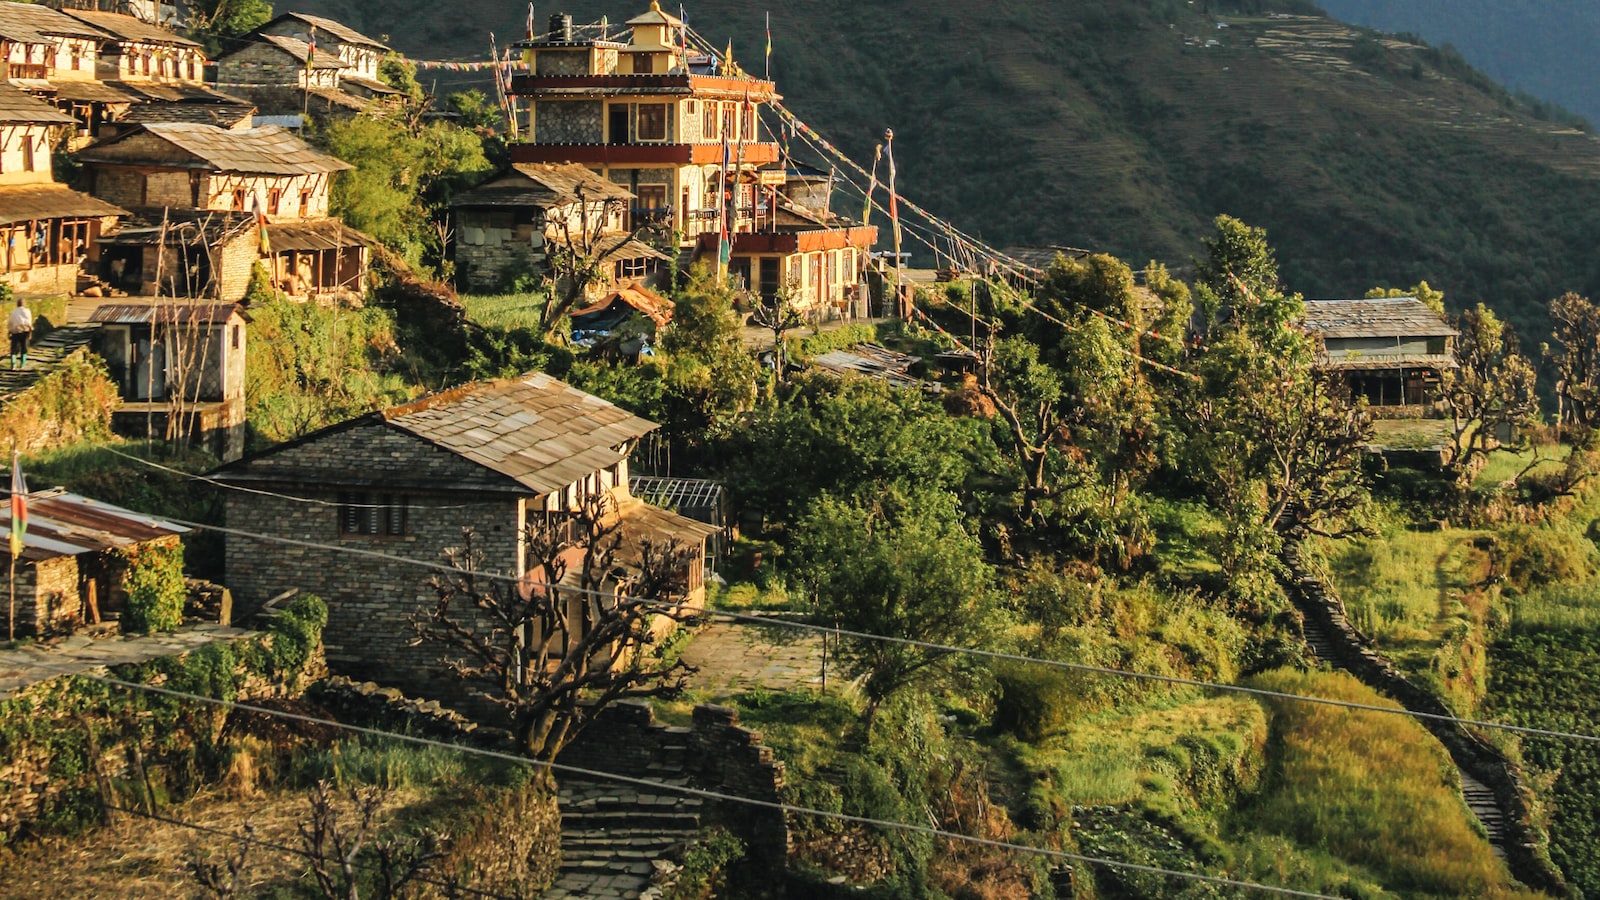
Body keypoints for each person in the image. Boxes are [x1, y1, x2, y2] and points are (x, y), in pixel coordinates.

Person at [7, 297, 33, 369]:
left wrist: (9, 331)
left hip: (15, 331)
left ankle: (13, 364)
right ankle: (22, 364)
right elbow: (29, 322)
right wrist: (30, 332)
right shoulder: (27, 311)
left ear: (17, 304)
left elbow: (10, 323)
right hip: (25, 331)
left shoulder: (13, 312)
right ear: (24, 304)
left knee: (14, 348)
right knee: (24, 348)